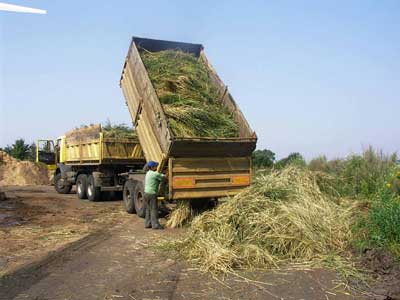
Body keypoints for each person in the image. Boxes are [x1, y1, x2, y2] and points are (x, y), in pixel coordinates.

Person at [144, 161, 166, 229]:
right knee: (154, 209)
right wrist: (166, 173)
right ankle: (155, 225)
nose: (157, 167)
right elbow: (164, 177)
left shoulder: (148, 173)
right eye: (156, 166)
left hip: (146, 193)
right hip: (152, 194)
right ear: (152, 167)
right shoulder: (155, 174)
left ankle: (147, 224)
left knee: (148, 209)